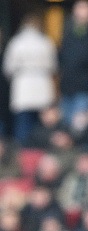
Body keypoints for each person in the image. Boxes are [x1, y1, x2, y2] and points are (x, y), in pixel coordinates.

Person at [2, 13, 58, 146]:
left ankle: (23, 153)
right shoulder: (45, 42)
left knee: (23, 124)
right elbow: (53, 67)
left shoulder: (16, 42)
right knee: (42, 125)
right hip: (42, 86)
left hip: (23, 88)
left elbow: (8, 68)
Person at [58, 0, 88, 128]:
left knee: (79, 126)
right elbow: (64, 58)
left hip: (85, 88)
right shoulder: (68, 33)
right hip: (67, 87)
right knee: (66, 125)